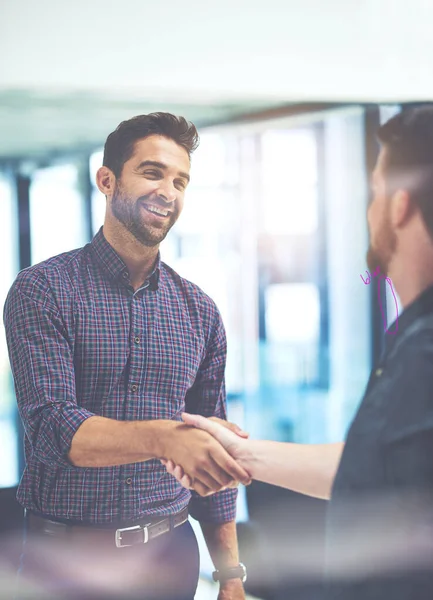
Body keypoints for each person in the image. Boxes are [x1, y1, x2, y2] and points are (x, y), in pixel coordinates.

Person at [164, 105, 433, 600]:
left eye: (373, 192)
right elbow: (373, 470)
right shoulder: (412, 340)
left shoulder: (425, 353)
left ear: (398, 206)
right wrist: (242, 456)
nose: (369, 211)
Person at [3, 112, 251, 600]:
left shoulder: (199, 311)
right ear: (107, 179)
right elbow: (54, 428)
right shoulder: (42, 290)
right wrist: (165, 438)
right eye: (153, 172)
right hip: (63, 561)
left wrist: (232, 575)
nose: (169, 192)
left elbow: (212, 453)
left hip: (169, 556)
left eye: (180, 181)